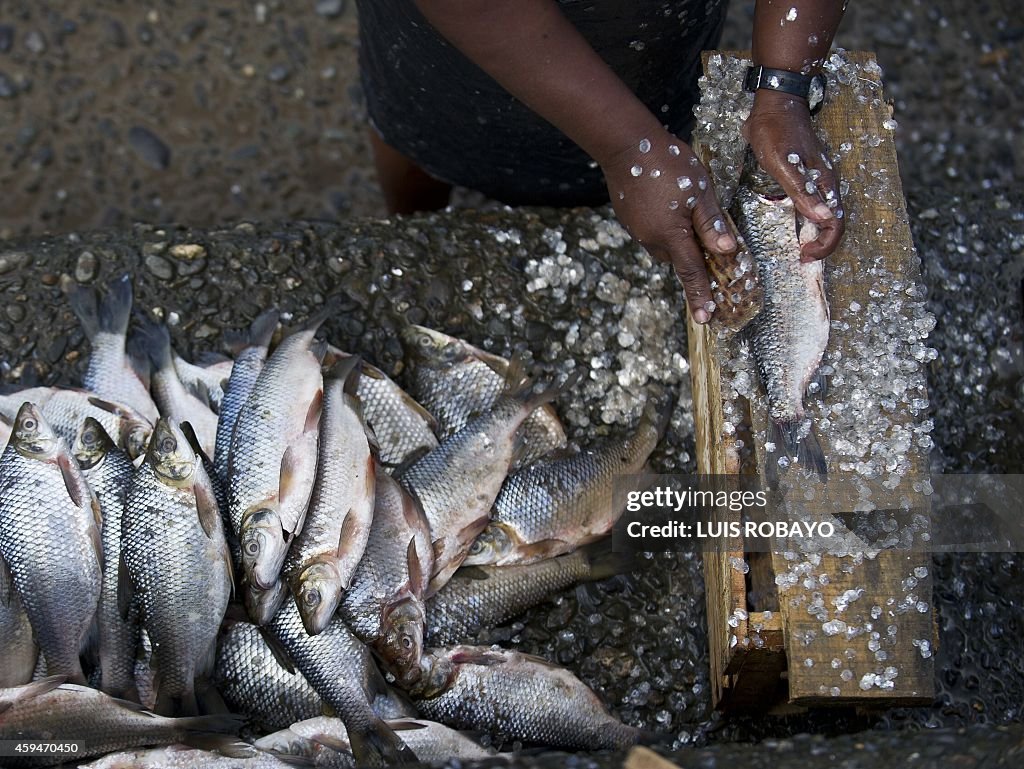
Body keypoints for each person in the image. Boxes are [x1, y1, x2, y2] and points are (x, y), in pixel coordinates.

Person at [355, 1, 846, 323]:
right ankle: (412, 231)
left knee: (647, 120)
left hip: (653, 35)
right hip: (460, 45)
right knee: (425, 137)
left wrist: (784, 88)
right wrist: (630, 149)